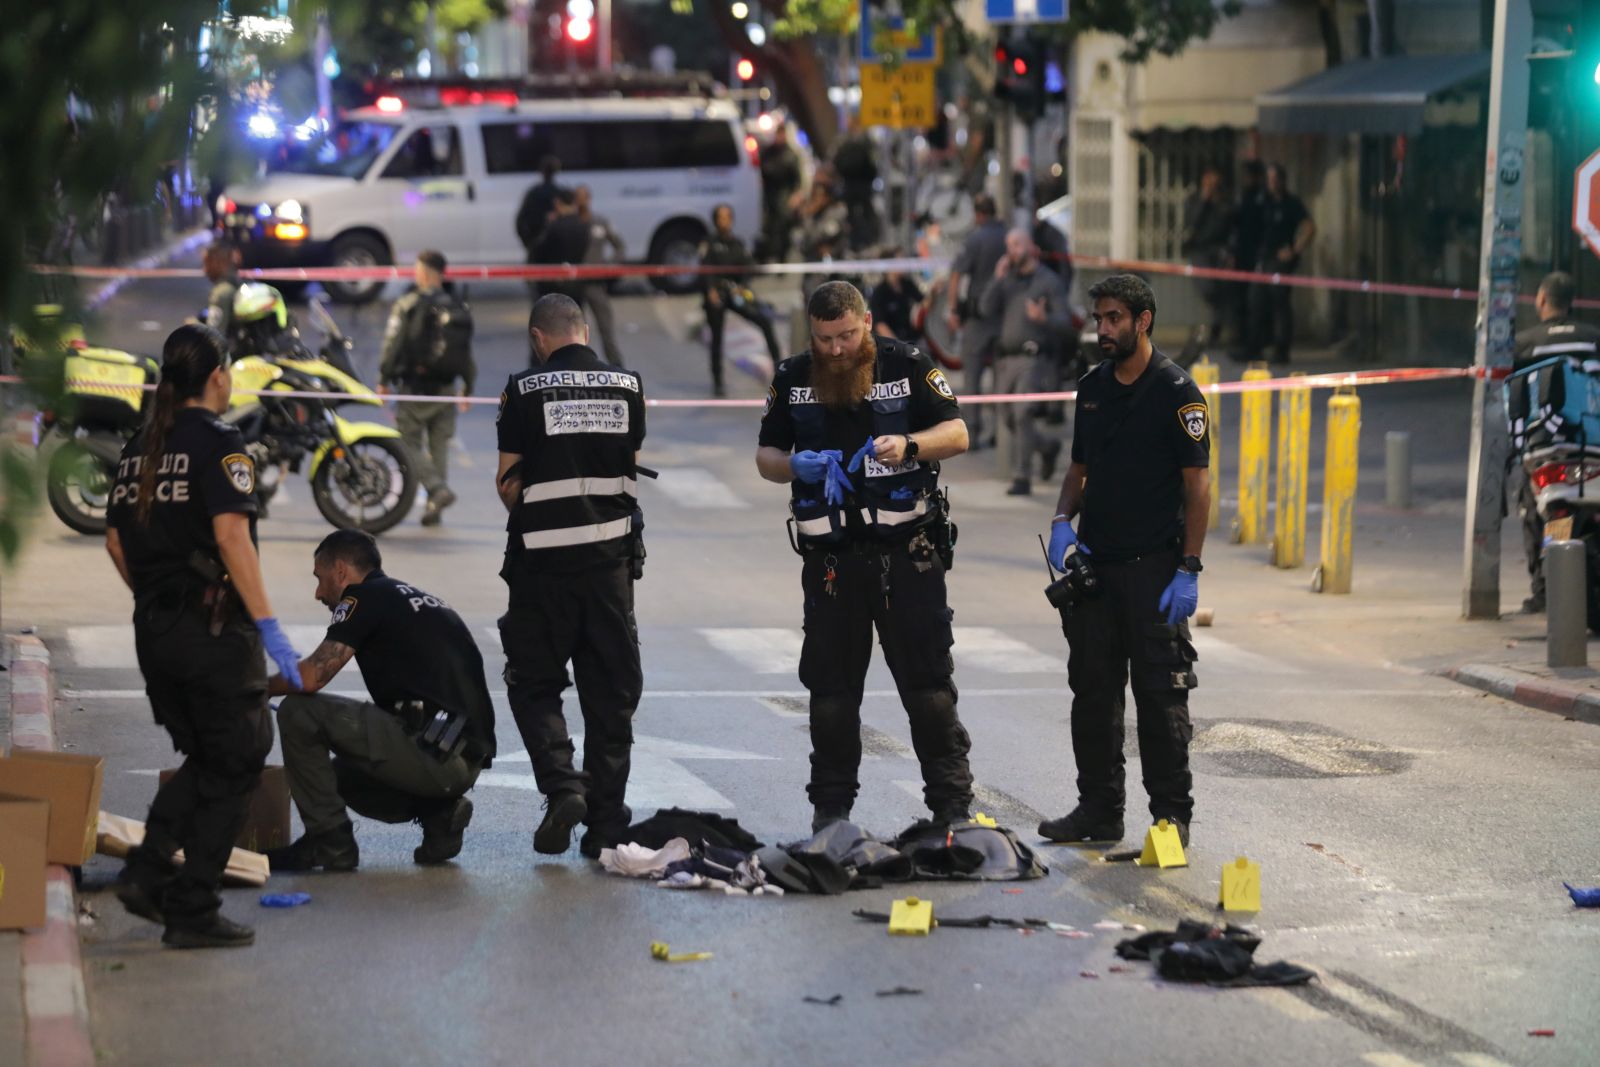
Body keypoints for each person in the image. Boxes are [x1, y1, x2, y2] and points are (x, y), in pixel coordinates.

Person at [104, 324, 303, 949]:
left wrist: (155, 605)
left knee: (213, 757)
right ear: (218, 377)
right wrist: (270, 628)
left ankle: (152, 869)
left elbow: (115, 542)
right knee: (240, 754)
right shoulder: (222, 443)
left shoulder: (142, 445)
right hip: (211, 630)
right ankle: (187, 902)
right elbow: (231, 539)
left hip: (155, 631)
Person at [755, 280, 975, 833]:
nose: (836, 349)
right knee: (831, 696)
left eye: (847, 336)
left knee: (927, 691)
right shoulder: (792, 377)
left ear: (867, 322)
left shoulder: (907, 364)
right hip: (832, 565)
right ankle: (832, 816)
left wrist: (911, 446)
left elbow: (959, 432)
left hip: (907, 557)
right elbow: (765, 455)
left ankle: (952, 811)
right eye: (825, 338)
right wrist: (795, 464)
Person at [1037, 274, 1210, 849]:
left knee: (1161, 700)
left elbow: (1199, 487)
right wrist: (1063, 519)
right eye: (1098, 318)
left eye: (1114, 319)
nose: (1103, 329)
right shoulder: (1092, 388)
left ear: (1144, 321)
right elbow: (1079, 469)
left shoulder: (1177, 391)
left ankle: (1171, 821)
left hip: (1153, 568)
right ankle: (1099, 810)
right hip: (1097, 569)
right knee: (1092, 695)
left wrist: (1189, 567)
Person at [495, 294, 647, 859]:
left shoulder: (521, 389)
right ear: (584, 331)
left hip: (541, 569)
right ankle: (606, 823)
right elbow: (624, 462)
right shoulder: (629, 386)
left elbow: (508, 482)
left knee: (534, 682)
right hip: (610, 571)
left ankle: (563, 787)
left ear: (539, 339)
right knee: (610, 695)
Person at [264, 530, 496, 871]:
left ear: (341, 571)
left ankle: (329, 844)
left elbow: (314, 674)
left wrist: (257, 686)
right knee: (337, 777)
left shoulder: (361, 597)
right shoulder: (416, 598)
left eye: (319, 578)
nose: (317, 592)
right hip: (464, 757)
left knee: (299, 711)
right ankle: (439, 815)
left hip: (433, 753)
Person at [1510, 271, 1600, 612]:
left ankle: (1545, 587)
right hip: (1592, 443)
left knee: (1538, 509)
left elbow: (1512, 395)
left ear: (1542, 300)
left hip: (1546, 447)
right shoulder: (1594, 338)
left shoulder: (1526, 342)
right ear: (1572, 302)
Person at [378, 250, 475, 526]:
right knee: (439, 445)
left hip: (414, 387)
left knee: (408, 442)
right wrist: (468, 387)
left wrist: (384, 378)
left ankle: (437, 489)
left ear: (424, 273)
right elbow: (466, 353)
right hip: (446, 387)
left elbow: (392, 343)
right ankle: (436, 506)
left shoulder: (408, 304)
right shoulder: (457, 307)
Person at [979, 228, 1073, 496]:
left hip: (1033, 359)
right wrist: (996, 279)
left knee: (1023, 414)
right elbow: (985, 309)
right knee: (1006, 416)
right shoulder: (1007, 280)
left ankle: (1023, 476)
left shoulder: (1048, 281)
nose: (1013, 250)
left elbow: (1065, 323)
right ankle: (1046, 447)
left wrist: (1044, 319)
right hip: (1005, 359)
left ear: (1031, 247)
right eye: (1009, 245)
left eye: (1018, 244)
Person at [945, 193, 1008, 446]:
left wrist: (952, 310)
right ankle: (999, 431)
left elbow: (956, 276)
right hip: (1003, 318)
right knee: (1000, 378)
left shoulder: (975, 239)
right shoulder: (1008, 235)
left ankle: (972, 431)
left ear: (978, 214)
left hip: (977, 320)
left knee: (972, 375)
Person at [701, 203, 783, 397]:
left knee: (764, 320)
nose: (725, 221)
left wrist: (742, 287)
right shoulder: (709, 244)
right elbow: (704, 271)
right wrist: (710, 291)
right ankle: (718, 381)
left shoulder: (737, 243)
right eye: (721, 217)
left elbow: (747, 268)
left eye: (728, 217)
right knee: (717, 336)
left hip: (736, 293)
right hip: (716, 295)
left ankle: (780, 371)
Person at [1253, 163, 1316, 364]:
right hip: (1263, 259)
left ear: (1281, 180)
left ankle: (1282, 349)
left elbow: (1309, 227)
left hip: (1280, 262)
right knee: (1257, 301)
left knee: (1280, 303)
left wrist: (1295, 250)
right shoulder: (1264, 201)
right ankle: (1257, 346)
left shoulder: (1291, 203)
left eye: (1274, 179)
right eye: (1268, 179)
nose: (1271, 184)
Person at [1179, 165, 1234, 360]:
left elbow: (1229, 224)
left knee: (1221, 292)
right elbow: (1191, 224)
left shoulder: (1224, 201)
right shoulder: (1195, 200)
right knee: (1207, 289)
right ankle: (1203, 331)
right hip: (1199, 251)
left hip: (1218, 251)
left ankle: (1216, 332)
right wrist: (1204, 200)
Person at [575, 184, 626, 366]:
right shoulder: (571, 224)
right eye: (577, 197)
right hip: (575, 286)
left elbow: (619, 246)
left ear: (589, 199)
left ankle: (619, 371)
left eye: (583, 197)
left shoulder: (600, 222)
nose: (580, 201)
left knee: (607, 331)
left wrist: (610, 265)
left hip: (596, 284)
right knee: (574, 335)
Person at [1231, 160, 1267, 360]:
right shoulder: (1244, 197)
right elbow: (1237, 226)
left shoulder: (1262, 199)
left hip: (1256, 259)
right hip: (1242, 257)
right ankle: (1244, 344)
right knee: (1242, 304)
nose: (1246, 180)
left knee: (1255, 305)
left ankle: (1254, 347)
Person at [533, 189, 592, 309]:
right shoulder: (583, 225)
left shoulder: (554, 227)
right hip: (576, 280)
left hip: (555, 282)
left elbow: (540, 250)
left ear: (558, 203)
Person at [831, 117, 880, 249]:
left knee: (853, 215)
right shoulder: (866, 141)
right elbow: (874, 163)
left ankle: (856, 241)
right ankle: (866, 241)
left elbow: (835, 161)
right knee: (865, 213)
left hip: (850, 185)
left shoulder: (842, 141)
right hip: (862, 185)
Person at [758, 123, 803, 262]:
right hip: (769, 195)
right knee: (769, 229)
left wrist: (796, 196)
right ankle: (769, 256)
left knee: (784, 229)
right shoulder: (767, 152)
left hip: (785, 195)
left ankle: (782, 259)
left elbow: (797, 179)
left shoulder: (791, 154)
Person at [515, 155, 568, 270]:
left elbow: (520, 221)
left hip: (537, 245)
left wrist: (528, 243)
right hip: (557, 248)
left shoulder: (533, 193)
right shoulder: (562, 193)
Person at [869, 261, 925, 344]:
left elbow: (923, 303)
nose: (903, 265)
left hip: (913, 338)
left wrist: (933, 293)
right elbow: (880, 325)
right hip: (893, 342)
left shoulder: (908, 284)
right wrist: (899, 347)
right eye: (899, 261)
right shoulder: (879, 293)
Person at [202, 243, 239, 343]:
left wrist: (194, 326)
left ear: (219, 263)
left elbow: (213, 335)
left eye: (207, 263)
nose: (205, 270)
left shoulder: (221, 293)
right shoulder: (239, 285)